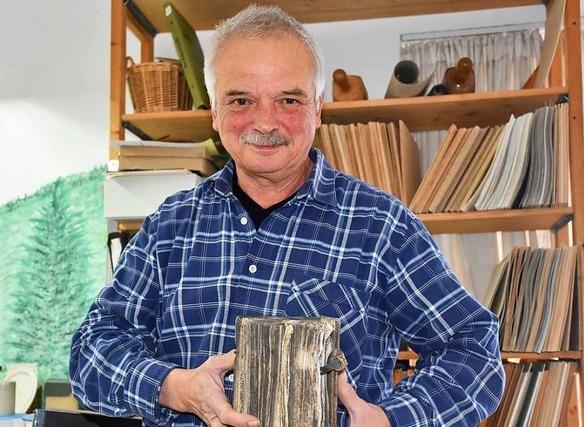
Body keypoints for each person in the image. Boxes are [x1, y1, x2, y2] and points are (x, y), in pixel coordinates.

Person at [70, 5, 504, 426]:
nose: (266, 122)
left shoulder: (382, 227)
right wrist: (175, 387)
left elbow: (474, 352)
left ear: (318, 107)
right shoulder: (169, 227)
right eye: (240, 100)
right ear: (215, 114)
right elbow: (93, 349)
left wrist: (391, 419)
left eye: (289, 100)